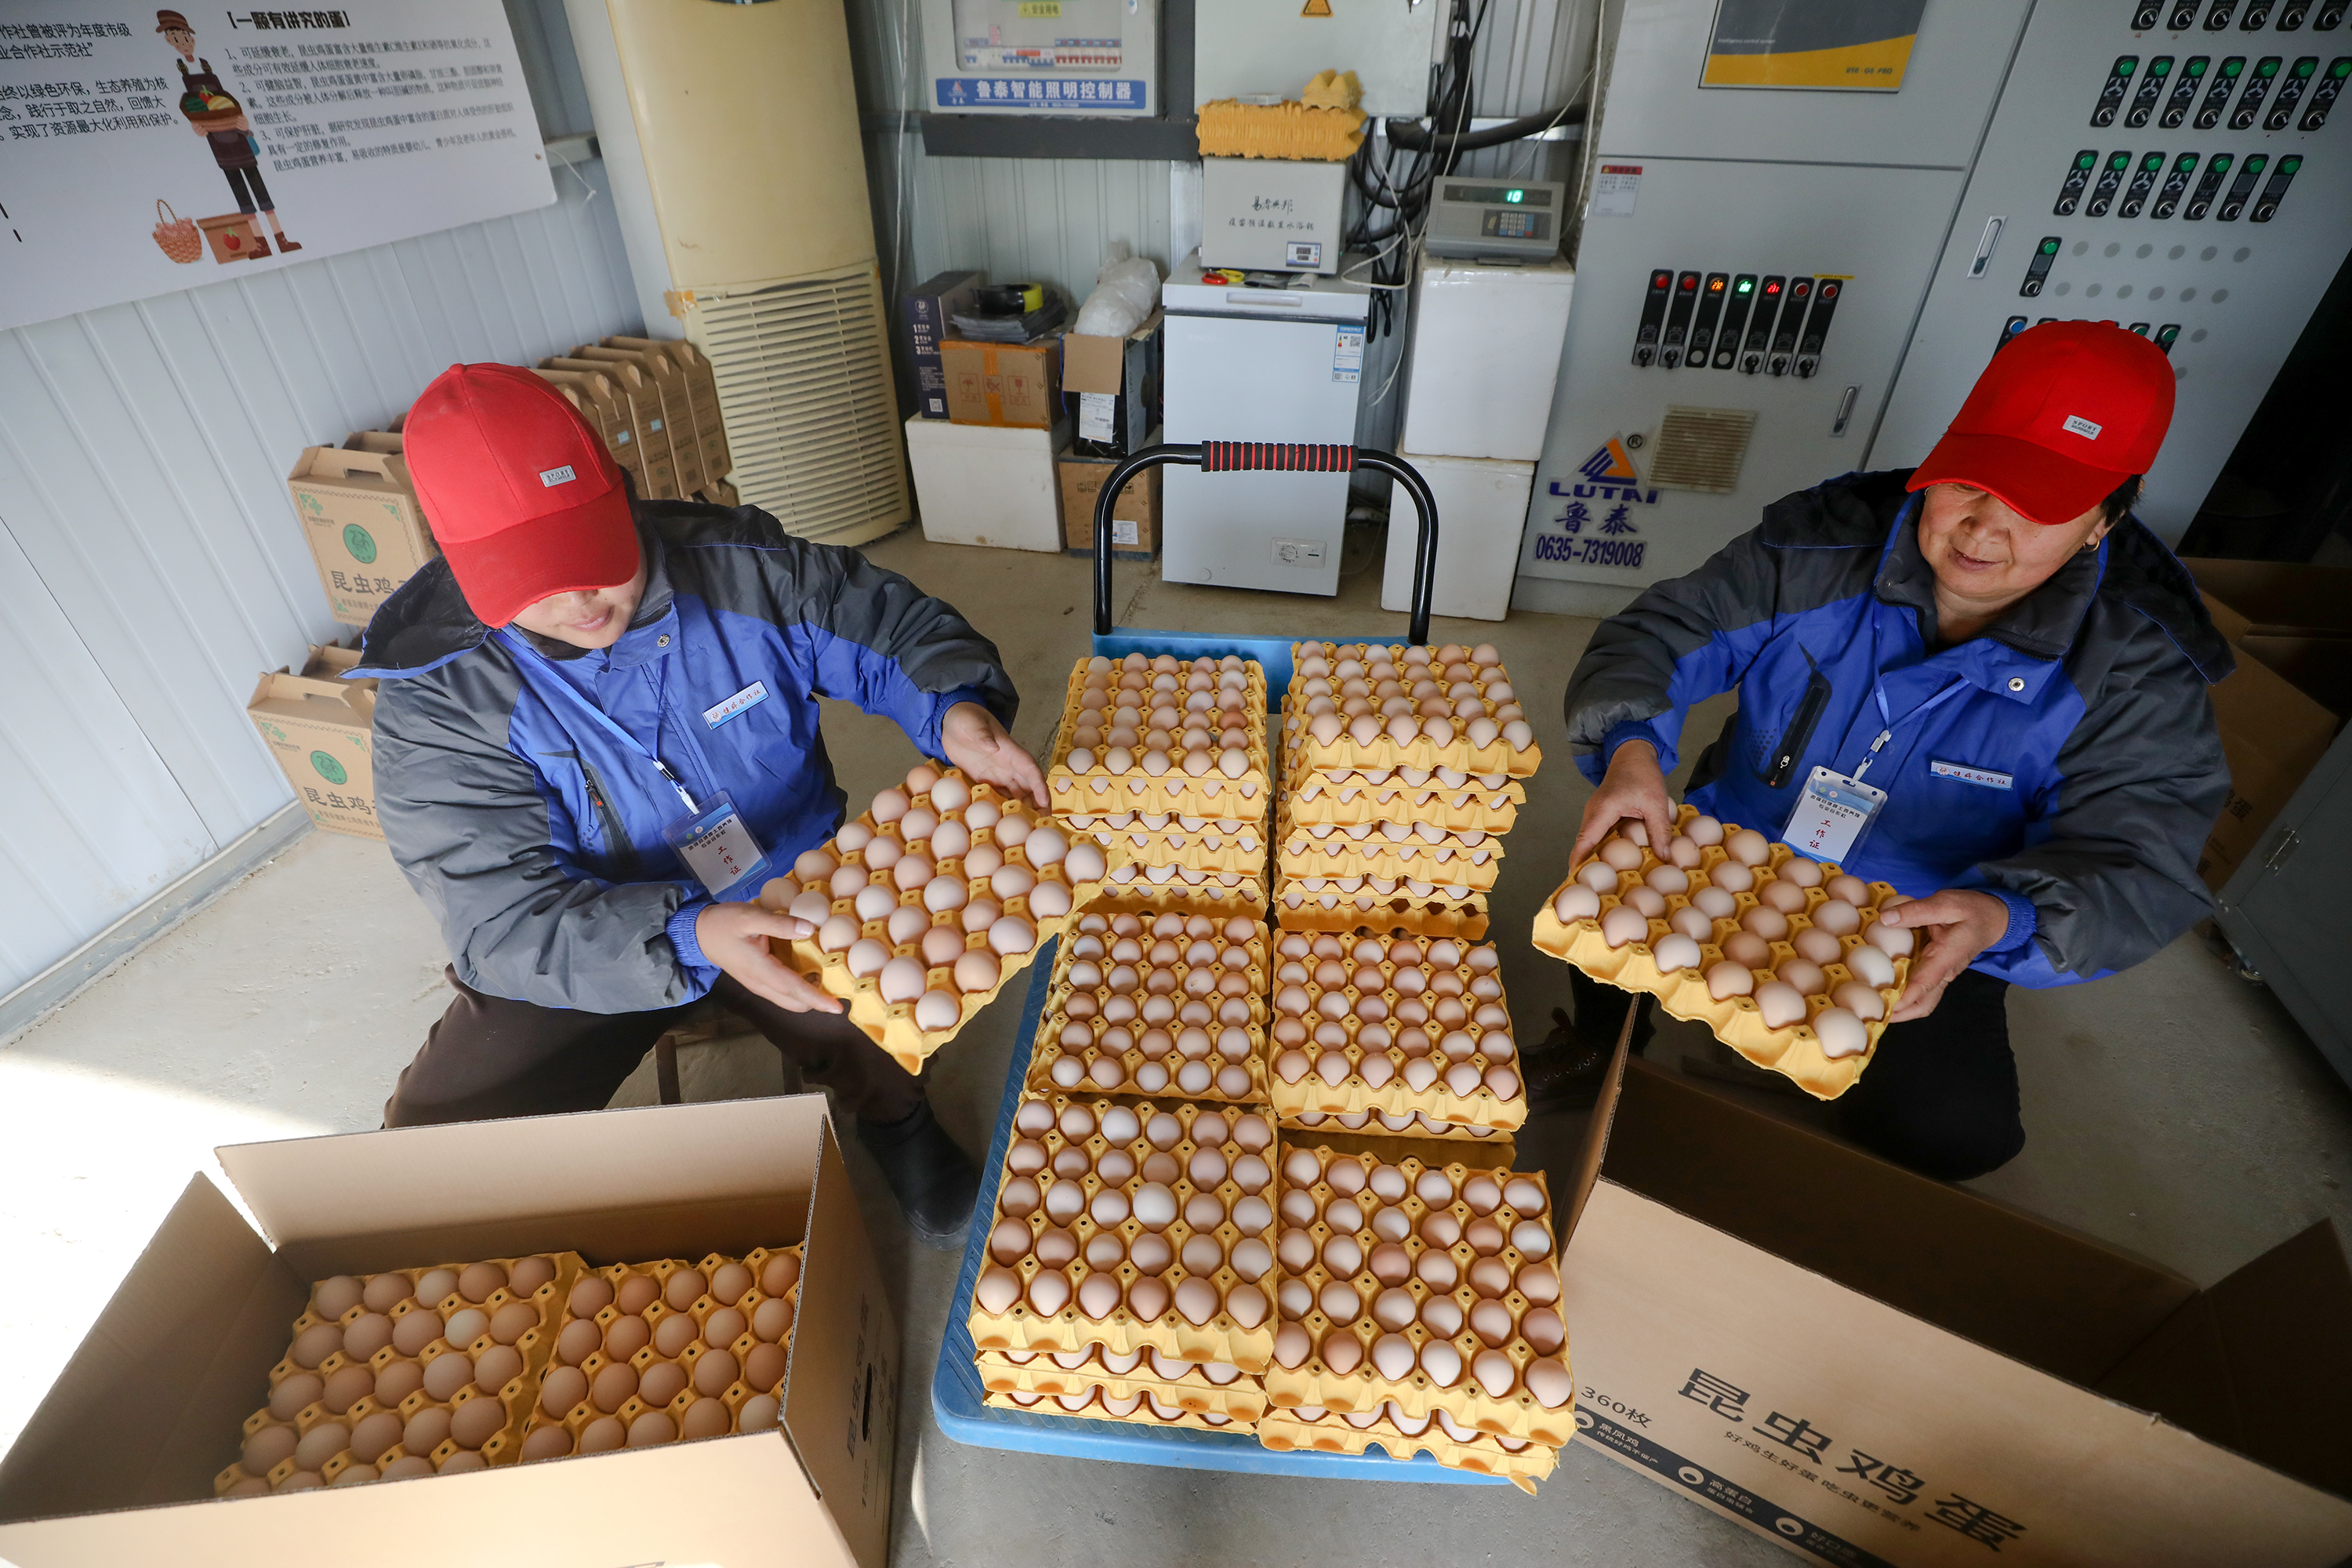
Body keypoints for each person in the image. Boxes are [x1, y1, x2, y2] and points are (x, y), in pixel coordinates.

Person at [354, 363, 1045, 1245]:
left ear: (621, 497)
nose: (578, 601)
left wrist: (952, 708)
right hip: (596, 927)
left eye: (592, 557)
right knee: (435, 1143)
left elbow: (890, 629)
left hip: (785, 880)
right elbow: (501, 920)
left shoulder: (742, 574)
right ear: (464, 568)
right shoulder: (440, 702)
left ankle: (896, 1117)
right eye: (532, 580)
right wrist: (686, 934)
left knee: (884, 1002)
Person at [1530, 321, 2232, 1181]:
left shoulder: (2135, 670)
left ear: (2105, 520)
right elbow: (1665, 631)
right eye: (1969, 482)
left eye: (2040, 504)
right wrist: (1634, 747)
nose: (1983, 528)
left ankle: (1821, 1101)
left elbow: (2142, 859)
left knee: (1953, 1132)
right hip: (1726, 851)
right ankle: (1602, 1044)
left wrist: (2005, 920)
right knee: (1603, 894)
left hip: (1920, 919)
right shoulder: (1819, 550)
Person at [158, 10, 300, 256]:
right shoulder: (177, 70)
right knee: (242, 196)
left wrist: (244, 123)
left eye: (186, 37)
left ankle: (281, 239)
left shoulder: (208, 63)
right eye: (177, 39)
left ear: (192, 37)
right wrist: (198, 128)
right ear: (169, 41)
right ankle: (261, 243)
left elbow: (232, 100)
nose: (183, 43)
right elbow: (187, 109)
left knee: (261, 193)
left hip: (238, 137)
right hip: (219, 145)